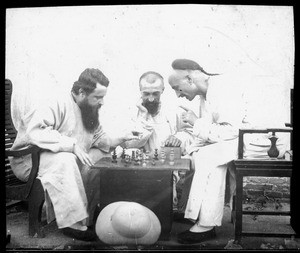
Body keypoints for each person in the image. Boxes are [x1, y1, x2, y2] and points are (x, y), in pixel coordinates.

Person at [9, 68, 139, 241]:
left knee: (100, 155)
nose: (102, 102)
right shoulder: (54, 102)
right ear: (81, 92)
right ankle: (73, 223)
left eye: (103, 97)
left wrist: (121, 138)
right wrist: (71, 145)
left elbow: (99, 139)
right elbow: (36, 132)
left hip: (57, 159)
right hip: (28, 160)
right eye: (98, 97)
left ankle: (87, 217)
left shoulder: (88, 109)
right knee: (66, 158)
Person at [167, 59, 249, 244]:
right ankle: (196, 215)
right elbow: (209, 133)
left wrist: (196, 122)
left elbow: (230, 131)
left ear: (189, 79)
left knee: (209, 157)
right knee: (196, 156)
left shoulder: (222, 88)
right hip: (238, 139)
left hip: (255, 140)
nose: (178, 95)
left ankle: (206, 226)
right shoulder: (206, 95)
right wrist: (189, 149)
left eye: (177, 88)